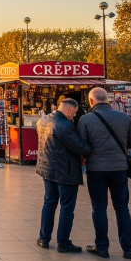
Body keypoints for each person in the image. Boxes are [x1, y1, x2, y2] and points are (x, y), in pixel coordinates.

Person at [77, 87, 131, 259]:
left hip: (95, 169)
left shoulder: (86, 119)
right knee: (122, 208)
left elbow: (81, 145)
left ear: (91, 101)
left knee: (99, 208)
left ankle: (102, 247)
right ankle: (128, 248)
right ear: (107, 99)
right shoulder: (124, 117)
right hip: (119, 169)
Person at [35, 98, 92, 252]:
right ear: (69, 110)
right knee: (67, 207)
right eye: (73, 112)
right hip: (65, 171)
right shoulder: (65, 126)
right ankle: (63, 242)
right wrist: (89, 145)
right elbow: (81, 148)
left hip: (47, 169)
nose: (74, 116)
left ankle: (44, 238)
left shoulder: (44, 120)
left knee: (49, 204)